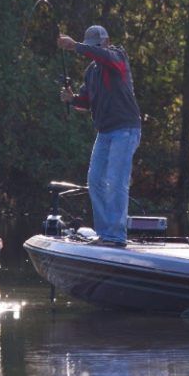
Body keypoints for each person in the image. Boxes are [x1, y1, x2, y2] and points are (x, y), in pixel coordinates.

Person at [57, 25, 142, 248]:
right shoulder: (91, 73)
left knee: (115, 181)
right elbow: (85, 102)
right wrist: (71, 98)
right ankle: (105, 234)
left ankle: (116, 236)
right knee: (95, 181)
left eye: (97, 45)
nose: (96, 49)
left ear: (106, 42)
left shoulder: (118, 57)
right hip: (105, 133)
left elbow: (103, 56)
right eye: (91, 46)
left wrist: (75, 46)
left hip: (125, 130)